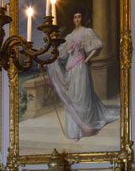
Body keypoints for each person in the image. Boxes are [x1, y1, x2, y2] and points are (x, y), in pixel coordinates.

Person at [46, 12, 120, 140]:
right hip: (71, 68)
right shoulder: (69, 37)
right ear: (72, 19)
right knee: (73, 96)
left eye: (79, 16)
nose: (77, 19)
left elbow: (97, 46)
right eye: (75, 17)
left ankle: (87, 125)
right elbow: (61, 54)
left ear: (82, 18)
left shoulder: (87, 32)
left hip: (81, 66)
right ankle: (75, 131)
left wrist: (86, 59)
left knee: (83, 94)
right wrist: (49, 59)